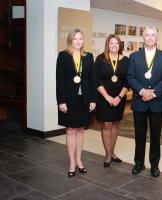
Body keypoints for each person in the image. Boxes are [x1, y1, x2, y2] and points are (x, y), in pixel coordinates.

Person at [127, 26, 162, 177]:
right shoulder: (134, 56)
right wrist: (142, 91)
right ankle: (139, 164)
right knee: (139, 135)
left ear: (157, 38)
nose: (150, 37)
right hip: (139, 101)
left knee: (155, 136)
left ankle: (154, 165)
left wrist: (153, 94)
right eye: (147, 35)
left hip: (157, 102)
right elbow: (130, 77)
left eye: (153, 35)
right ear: (143, 37)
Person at [56, 28, 96, 177]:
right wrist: (61, 101)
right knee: (70, 130)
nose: (78, 41)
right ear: (70, 40)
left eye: (81, 38)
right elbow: (59, 81)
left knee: (80, 130)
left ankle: (79, 160)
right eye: (75, 39)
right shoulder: (63, 56)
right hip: (68, 99)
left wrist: (93, 99)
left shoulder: (88, 57)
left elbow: (92, 80)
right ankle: (71, 162)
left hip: (84, 100)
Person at [95, 34, 129, 168]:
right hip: (104, 98)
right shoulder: (100, 59)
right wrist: (107, 97)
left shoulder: (126, 60)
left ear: (120, 45)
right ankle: (108, 154)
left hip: (119, 99)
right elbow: (96, 79)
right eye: (111, 43)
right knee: (106, 125)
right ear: (107, 45)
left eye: (116, 43)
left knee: (115, 124)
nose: (114, 46)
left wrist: (119, 97)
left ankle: (112, 152)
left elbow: (128, 81)